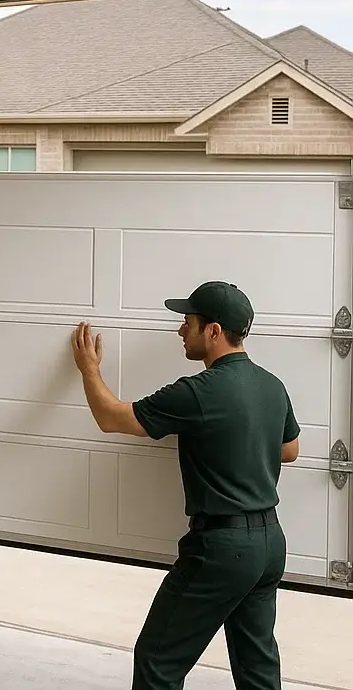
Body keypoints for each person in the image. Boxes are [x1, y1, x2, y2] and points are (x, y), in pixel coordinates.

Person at [70, 280, 300, 690]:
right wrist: (244, 440)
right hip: (269, 545)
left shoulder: (197, 394)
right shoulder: (272, 385)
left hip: (222, 550)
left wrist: (89, 369)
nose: (180, 330)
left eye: (187, 322)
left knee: (158, 661)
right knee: (257, 668)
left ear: (213, 331)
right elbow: (290, 450)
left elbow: (110, 418)